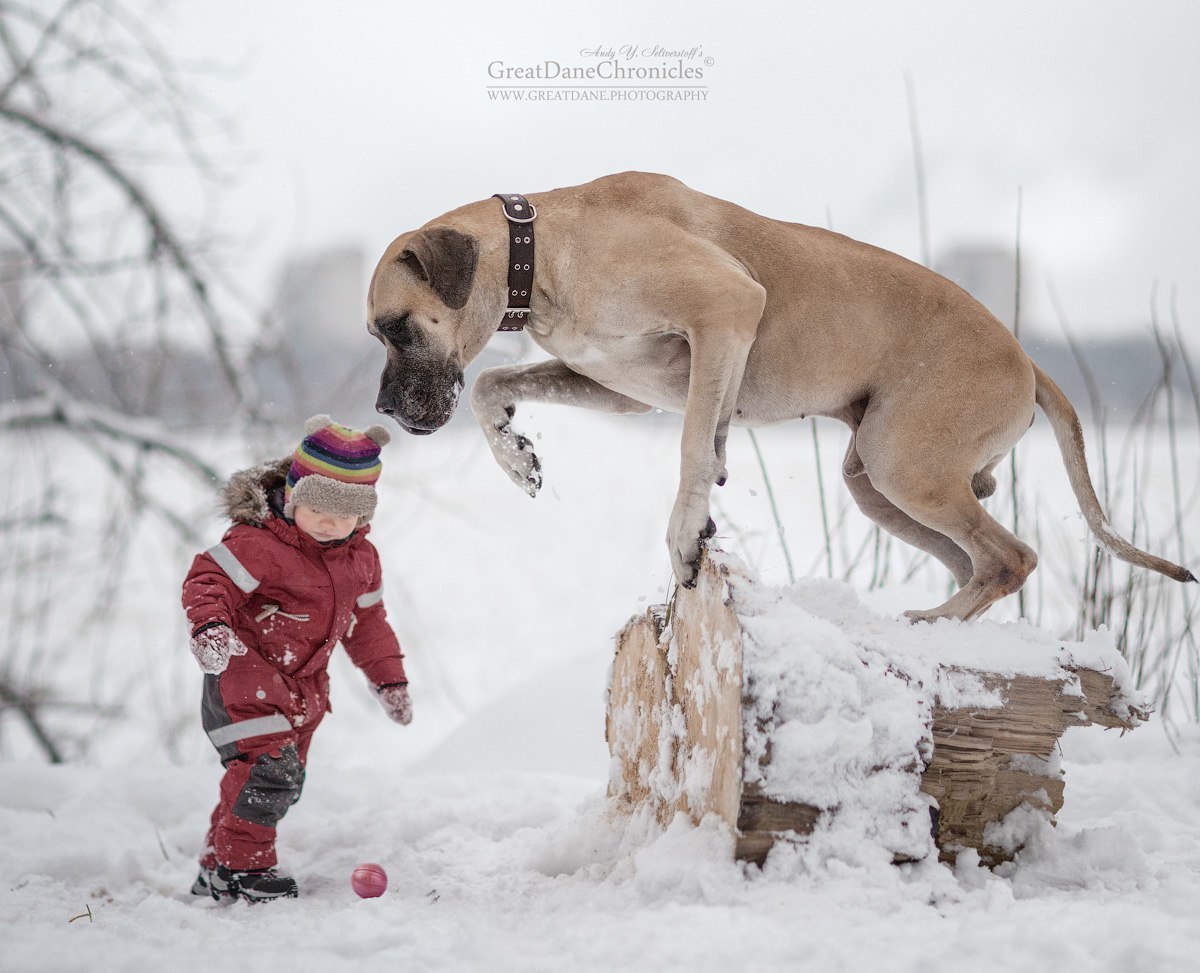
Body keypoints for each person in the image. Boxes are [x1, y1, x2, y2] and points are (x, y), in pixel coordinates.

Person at [181, 415, 412, 903]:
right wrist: (211, 627)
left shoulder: (360, 559)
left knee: (271, 780)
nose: (331, 523)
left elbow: (367, 625)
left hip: (303, 690)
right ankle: (245, 870)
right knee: (269, 774)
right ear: (292, 495)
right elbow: (208, 581)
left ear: (365, 514)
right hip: (243, 675)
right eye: (319, 509)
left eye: (346, 514)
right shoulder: (258, 544)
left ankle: (215, 867)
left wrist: (389, 679)